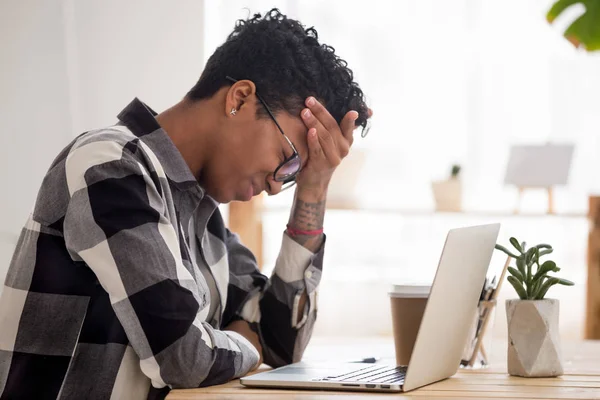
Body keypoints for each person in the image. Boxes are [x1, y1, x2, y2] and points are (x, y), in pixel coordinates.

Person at [0, 8, 370, 400]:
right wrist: (247, 346)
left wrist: (313, 188)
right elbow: (184, 357)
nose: (279, 186)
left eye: (295, 174)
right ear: (240, 99)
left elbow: (279, 343)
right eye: (290, 158)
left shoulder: (202, 217)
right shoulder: (110, 166)